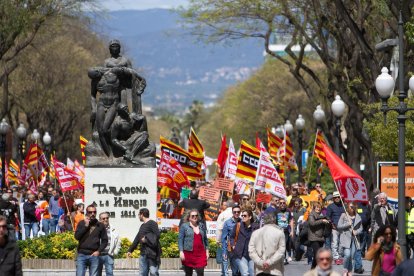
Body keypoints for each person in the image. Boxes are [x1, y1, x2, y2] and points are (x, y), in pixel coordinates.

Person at [74, 204, 108, 276]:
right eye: (90, 212)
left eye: (94, 212)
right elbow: (77, 237)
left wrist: (98, 251)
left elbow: (105, 241)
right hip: (82, 254)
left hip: (94, 255)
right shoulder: (82, 223)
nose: (92, 214)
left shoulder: (100, 225)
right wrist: (86, 226)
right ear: (86, 212)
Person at [127, 208, 161, 276]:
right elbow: (137, 238)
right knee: (142, 273)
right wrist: (130, 250)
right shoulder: (142, 226)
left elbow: (157, 235)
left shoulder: (152, 223)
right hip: (143, 253)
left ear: (142, 215)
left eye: (139, 214)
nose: (138, 216)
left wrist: (146, 239)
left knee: (153, 272)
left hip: (152, 253)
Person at [178, 209, 209, 276]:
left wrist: (207, 251)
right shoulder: (184, 226)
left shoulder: (202, 225)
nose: (195, 217)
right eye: (192, 216)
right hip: (188, 253)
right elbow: (180, 239)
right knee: (188, 273)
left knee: (200, 272)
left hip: (201, 254)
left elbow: (205, 239)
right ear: (189, 217)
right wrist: (181, 251)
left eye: (196, 215)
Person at [231, 209, 259, 276]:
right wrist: (233, 246)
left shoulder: (256, 227)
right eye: (242, 215)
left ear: (250, 217)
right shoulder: (238, 225)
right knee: (245, 273)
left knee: (252, 273)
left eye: (245, 215)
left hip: (252, 254)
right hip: (241, 254)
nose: (243, 217)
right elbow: (231, 237)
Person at [337, 202, 363, 275]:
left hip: (354, 239)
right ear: (347, 207)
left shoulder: (358, 216)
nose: (351, 208)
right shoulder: (344, 215)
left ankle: (350, 270)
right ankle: (345, 270)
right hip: (345, 238)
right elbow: (339, 226)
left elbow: (361, 228)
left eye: (353, 207)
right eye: (350, 207)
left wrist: (356, 232)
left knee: (351, 256)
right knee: (347, 255)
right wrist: (348, 224)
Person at [97, 212, 121, 276]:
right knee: (97, 273)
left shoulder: (113, 229)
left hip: (108, 255)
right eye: (103, 218)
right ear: (100, 219)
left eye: (107, 218)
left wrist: (115, 252)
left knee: (110, 273)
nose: (105, 219)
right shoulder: (96, 229)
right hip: (98, 255)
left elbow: (118, 241)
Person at [308, 202, 330, 269]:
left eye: (319, 207)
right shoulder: (311, 215)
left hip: (321, 237)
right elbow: (312, 223)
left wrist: (328, 222)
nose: (318, 209)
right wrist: (322, 220)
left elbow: (326, 225)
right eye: (317, 207)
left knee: (318, 255)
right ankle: (315, 269)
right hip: (314, 237)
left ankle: (313, 269)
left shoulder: (322, 215)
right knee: (317, 255)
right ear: (314, 208)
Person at [222, 205, 241, 276]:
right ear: (232, 212)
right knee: (235, 270)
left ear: (240, 212)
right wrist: (224, 252)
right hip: (232, 249)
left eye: (238, 212)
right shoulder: (227, 222)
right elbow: (224, 238)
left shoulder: (243, 221)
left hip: (241, 249)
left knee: (242, 271)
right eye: (234, 212)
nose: (236, 213)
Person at [326, 191, 345, 265]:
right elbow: (328, 216)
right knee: (335, 243)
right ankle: (336, 258)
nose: (337, 198)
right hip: (334, 228)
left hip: (343, 227)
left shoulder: (343, 205)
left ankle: (340, 256)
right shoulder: (330, 206)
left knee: (342, 244)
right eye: (336, 197)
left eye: (338, 197)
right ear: (333, 198)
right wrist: (331, 224)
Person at [274, 198, 294, 264]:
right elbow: (273, 222)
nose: (282, 204)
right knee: (280, 244)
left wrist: (292, 231)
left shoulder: (288, 211)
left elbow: (291, 221)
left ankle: (284, 257)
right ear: (279, 204)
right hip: (278, 231)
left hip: (286, 230)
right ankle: (282, 258)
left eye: (283, 203)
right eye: (281, 203)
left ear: (285, 204)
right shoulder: (276, 211)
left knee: (284, 243)